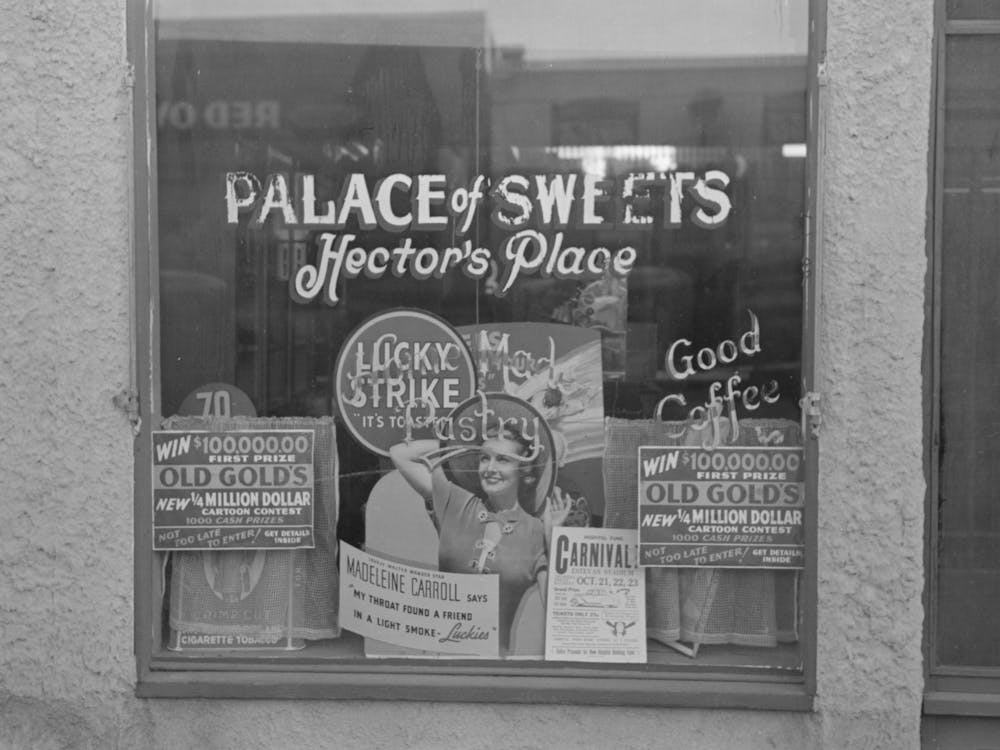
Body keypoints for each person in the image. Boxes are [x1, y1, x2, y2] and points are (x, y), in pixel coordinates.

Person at [390, 421, 568, 652]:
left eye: (502, 460)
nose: (490, 468)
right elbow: (400, 454)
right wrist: (463, 445)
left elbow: (558, 614)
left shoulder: (533, 530)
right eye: (484, 458)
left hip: (494, 668)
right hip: (442, 660)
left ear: (524, 469)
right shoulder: (457, 503)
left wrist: (552, 537)